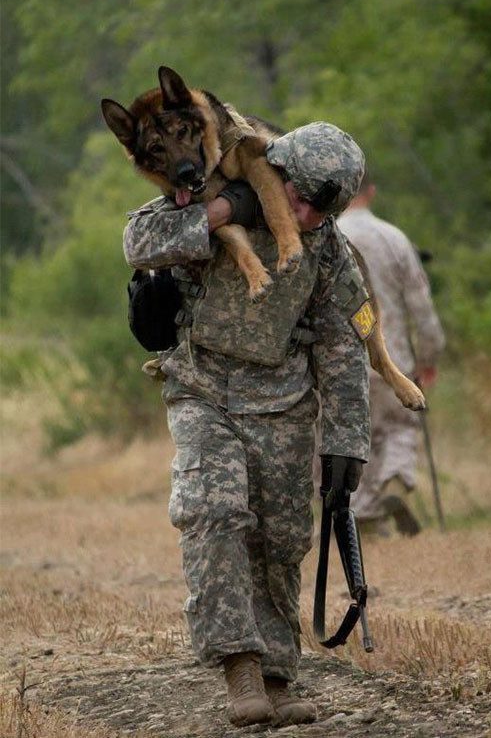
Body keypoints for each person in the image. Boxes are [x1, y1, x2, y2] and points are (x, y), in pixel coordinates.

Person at [122, 123, 370, 728]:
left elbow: (345, 343)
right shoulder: (221, 200)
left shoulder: (328, 249)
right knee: (214, 513)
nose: (305, 215)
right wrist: (220, 211)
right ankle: (239, 667)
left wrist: (346, 444)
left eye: (322, 207)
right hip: (203, 389)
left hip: (283, 400)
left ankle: (281, 676)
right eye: (298, 197)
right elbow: (138, 241)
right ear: (277, 174)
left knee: (282, 538)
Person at [337, 171, 445, 537]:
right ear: (372, 192)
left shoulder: (327, 236)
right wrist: (428, 358)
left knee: (352, 440)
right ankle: (395, 484)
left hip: (339, 361)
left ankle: (364, 517)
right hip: (394, 359)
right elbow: (422, 308)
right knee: (399, 428)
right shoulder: (393, 238)